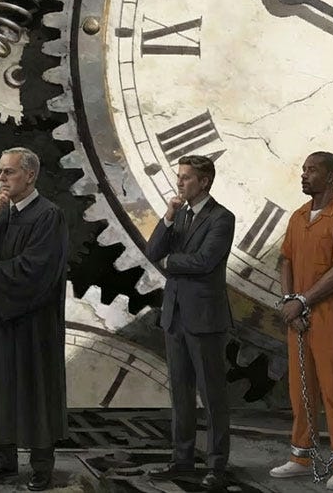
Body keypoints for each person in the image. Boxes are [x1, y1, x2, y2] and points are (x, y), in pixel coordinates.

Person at [0, 146, 69, 492]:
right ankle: (3, 461)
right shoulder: (0, 213)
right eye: (0, 172)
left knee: (35, 387)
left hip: (33, 320)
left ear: (30, 175)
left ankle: (40, 467)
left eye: (9, 172)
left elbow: (39, 267)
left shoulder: (49, 215)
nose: (1, 178)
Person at [269, 152, 333, 491]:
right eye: (303, 169)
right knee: (300, 387)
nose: (304, 175)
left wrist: (303, 301)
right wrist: (289, 301)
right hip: (298, 313)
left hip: (329, 316)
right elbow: (285, 260)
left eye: (312, 170)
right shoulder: (297, 217)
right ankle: (301, 456)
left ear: (331, 176)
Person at [143, 154, 235, 492]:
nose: (179, 182)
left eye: (186, 177)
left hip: (205, 319)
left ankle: (216, 465)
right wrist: (168, 217)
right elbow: (153, 250)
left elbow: (205, 261)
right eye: (178, 176)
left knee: (212, 396)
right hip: (176, 316)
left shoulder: (222, 218)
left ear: (204, 181)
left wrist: (171, 260)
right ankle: (182, 459)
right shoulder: (179, 215)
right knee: (180, 393)